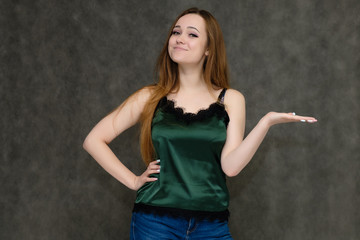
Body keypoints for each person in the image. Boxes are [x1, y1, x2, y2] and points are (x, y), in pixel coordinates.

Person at [83, 7, 317, 240]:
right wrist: (133, 181)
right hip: (155, 223)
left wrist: (266, 123)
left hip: (211, 226)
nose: (180, 39)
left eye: (192, 34)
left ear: (208, 49)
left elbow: (231, 167)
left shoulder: (231, 99)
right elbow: (94, 140)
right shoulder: (150, 97)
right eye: (176, 32)